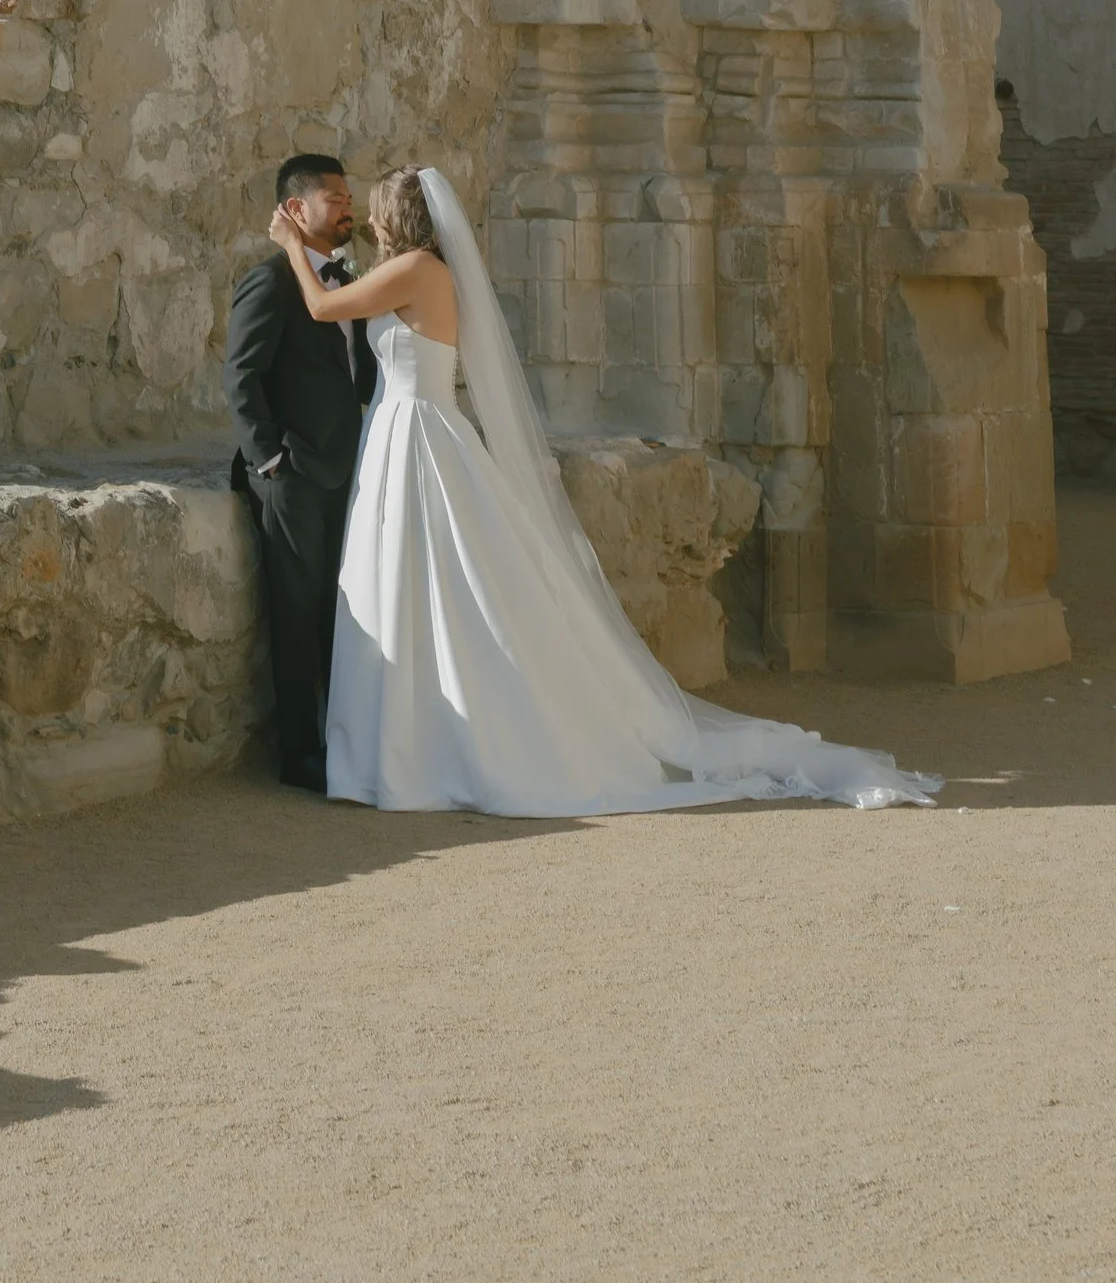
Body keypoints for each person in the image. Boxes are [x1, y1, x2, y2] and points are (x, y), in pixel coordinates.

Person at [265, 162, 937, 817]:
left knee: (432, 590)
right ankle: (400, 746)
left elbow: (324, 306)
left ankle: (419, 751)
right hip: (407, 435)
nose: (367, 216)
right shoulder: (417, 272)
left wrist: (292, 245)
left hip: (417, 437)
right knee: (415, 590)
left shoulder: (414, 271)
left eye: (375, 206)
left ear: (396, 217)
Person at [225, 151, 372, 792]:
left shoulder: (349, 279)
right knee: (294, 613)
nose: (348, 208)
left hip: (347, 471)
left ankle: (347, 741)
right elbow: (241, 376)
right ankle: (299, 756)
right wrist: (270, 460)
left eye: (348, 199)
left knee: (341, 612)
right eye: (334, 199)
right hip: (290, 476)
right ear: (295, 209)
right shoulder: (269, 282)